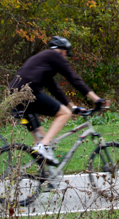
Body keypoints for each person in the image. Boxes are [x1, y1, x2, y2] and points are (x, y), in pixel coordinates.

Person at [8, 36, 109, 167]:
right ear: (62, 51)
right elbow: (74, 79)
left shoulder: (44, 61)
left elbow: (54, 89)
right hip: (27, 93)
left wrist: (72, 107)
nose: (65, 57)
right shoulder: (54, 55)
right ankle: (43, 147)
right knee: (64, 114)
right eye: (66, 53)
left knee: (42, 137)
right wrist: (96, 99)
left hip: (15, 96)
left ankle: (44, 177)